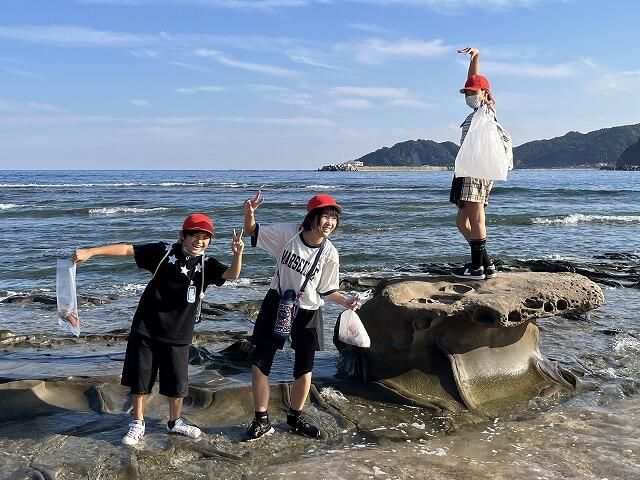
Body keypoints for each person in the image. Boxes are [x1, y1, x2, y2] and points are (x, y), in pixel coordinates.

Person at [73, 213, 244, 446]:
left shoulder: (207, 265)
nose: (200, 241)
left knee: (177, 382)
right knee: (141, 378)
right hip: (147, 327)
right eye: (194, 235)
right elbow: (128, 249)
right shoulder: (164, 252)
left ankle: (175, 422)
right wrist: (91, 252)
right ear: (182, 236)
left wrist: (238, 254)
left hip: (179, 332)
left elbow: (232, 275)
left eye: (205, 237)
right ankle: (137, 423)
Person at [242, 191, 360, 441]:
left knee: (305, 367)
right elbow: (253, 231)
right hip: (277, 302)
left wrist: (346, 301)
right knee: (260, 361)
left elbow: (327, 289)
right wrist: (249, 213)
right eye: (325, 216)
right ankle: (261, 420)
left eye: (334, 218)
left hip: (309, 311)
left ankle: (296, 416)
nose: (329, 222)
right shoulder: (288, 234)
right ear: (311, 217)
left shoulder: (330, 253)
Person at [450, 46, 498, 281]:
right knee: (462, 222)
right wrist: (474, 57)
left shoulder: (485, 111)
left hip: (476, 170)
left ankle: (477, 268)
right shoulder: (477, 112)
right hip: (467, 170)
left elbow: (478, 82)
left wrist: (477, 61)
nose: (468, 95)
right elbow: (474, 81)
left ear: (484, 93)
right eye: (466, 92)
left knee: (477, 218)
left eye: (473, 92)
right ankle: (486, 264)